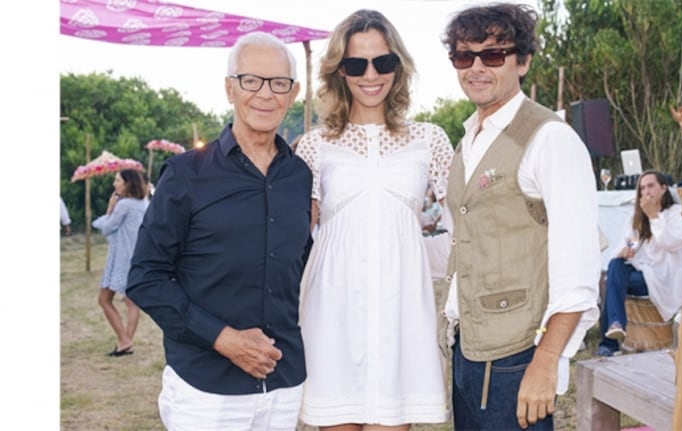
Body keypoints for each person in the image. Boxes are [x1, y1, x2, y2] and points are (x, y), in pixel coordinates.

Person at [126, 32, 312, 430]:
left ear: (293, 93)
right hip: (206, 389)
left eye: (279, 83)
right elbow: (145, 278)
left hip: (283, 384)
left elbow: (302, 267)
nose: (265, 94)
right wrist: (223, 338)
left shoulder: (299, 176)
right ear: (230, 88)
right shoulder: (186, 174)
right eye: (251, 80)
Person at [438, 4, 601, 430]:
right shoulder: (468, 140)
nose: (475, 67)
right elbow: (465, 242)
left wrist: (547, 362)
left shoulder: (550, 139)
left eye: (493, 55)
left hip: (517, 357)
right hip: (466, 349)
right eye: (463, 56)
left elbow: (578, 267)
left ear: (523, 60)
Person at [294, 9, 454, 430]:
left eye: (382, 62)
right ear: (339, 72)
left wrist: (415, 258)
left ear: (397, 66)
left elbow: (465, 226)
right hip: (331, 315)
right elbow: (295, 239)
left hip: (400, 315)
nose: (370, 75)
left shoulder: (430, 139)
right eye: (355, 64)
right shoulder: (314, 146)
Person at [596, 169, 682, 357]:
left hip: (664, 279)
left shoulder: (676, 214)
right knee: (615, 266)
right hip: (640, 274)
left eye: (651, 186)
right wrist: (623, 252)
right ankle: (615, 326)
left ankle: (609, 344)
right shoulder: (636, 218)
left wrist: (654, 216)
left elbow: (671, 243)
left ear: (663, 188)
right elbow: (622, 247)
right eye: (642, 188)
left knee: (612, 279)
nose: (646, 191)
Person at [92, 169, 149, 356]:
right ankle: (126, 341)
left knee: (104, 299)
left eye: (117, 180)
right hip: (136, 258)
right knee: (131, 302)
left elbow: (106, 228)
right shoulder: (144, 204)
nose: (114, 184)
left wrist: (110, 208)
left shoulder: (124, 205)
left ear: (127, 183)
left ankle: (124, 340)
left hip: (121, 260)